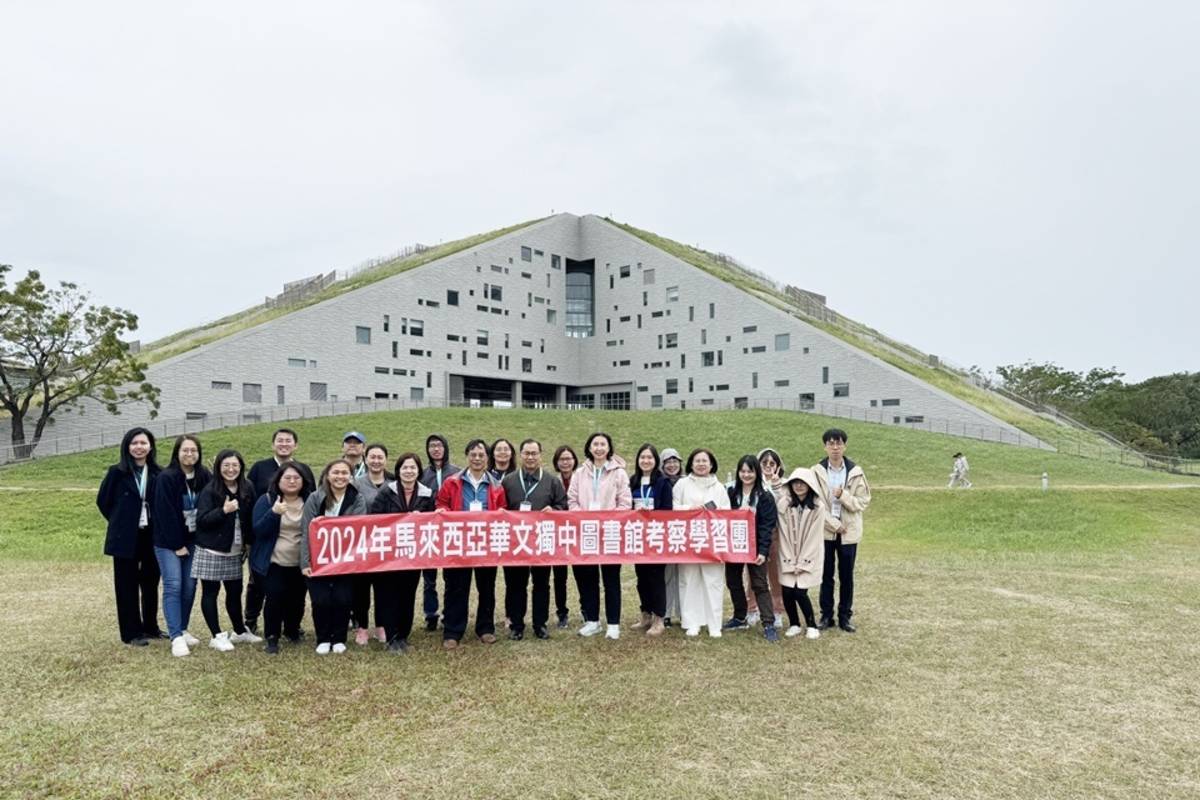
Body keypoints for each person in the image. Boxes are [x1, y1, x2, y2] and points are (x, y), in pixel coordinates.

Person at [435, 439, 507, 650]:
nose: (477, 459)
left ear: (487, 459)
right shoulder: (452, 482)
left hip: (486, 543)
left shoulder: (495, 485)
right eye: (473, 455)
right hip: (458, 542)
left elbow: (502, 508)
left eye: (481, 455)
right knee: (456, 587)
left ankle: (485, 628)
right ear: (467, 457)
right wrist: (442, 512)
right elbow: (441, 503)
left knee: (486, 587)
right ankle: (453, 630)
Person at [96, 427, 163, 646]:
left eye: (143, 443)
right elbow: (103, 502)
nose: (139, 447)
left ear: (150, 446)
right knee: (126, 584)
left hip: (151, 535)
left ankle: (151, 627)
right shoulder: (117, 472)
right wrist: (120, 521)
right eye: (134, 443)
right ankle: (131, 632)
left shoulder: (158, 473)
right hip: (125, 536)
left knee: (151, 582)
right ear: (127, 446)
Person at [244, 428, 315, 635]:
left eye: (289, 441)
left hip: (297, 553)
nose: (284, 444)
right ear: (273, 444)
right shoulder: (259, 468)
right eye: (280, 441)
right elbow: (250, 503)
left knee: (295, 594)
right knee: (259, 587)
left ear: (296, 445)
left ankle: (292, 627)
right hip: (266, 541)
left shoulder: (303, 470)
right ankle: (251, 620)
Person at [567, 432, 632, 640]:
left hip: (610, 533)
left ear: (609, 448)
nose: (599, 448)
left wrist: (610, 520)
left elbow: (625, 502)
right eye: (595, 444)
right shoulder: (580, 473)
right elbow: (572, 500)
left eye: (603, 444)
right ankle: (593, 621)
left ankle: (613, 623)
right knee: (588, 579)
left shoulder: (618, 473)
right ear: (589, 447)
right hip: (586, 532)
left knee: (611, 579)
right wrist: (584, 519)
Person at [368, 452, 435, 654]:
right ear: (398, 471)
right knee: (389, 596)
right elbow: (374, 519)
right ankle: (391, 637)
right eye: (405, 467)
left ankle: (403, 636)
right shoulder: (386, 492)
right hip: (388, 555)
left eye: (413, 468)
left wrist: (420, 518)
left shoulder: (426, 493)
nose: (409, 471)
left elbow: (432, 521)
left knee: (408, 594)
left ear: (418, 471)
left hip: (413, 555)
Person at [193, 449, 260, 652]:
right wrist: (223, 511)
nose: (231, 470)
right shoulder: (210, 490)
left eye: (235, 466)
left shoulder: (247, 487)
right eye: (226, 466)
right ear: (218, 467)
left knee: (234, 592)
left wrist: (249, 542)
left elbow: (250, 518)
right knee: (211, 592)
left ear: (241, 467)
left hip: (235, 550)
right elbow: (202, 521)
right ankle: (216, 635)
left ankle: (239, 631)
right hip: (212, 549)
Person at [501, 439, 568, 640]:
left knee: (541, 584)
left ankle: (540, 624)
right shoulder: (509, 481)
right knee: (516, 584)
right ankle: (517, 625)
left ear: (540, 455)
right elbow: (499, 508)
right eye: (527, 453)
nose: (530, 457)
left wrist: (554, 510)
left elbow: (563, 506)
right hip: (516, 542)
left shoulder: (552, 481)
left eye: (534, 453)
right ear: (520, 455)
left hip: (542, 541)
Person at [152, 435, 211, 657]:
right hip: (168, 542)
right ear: (177, 452)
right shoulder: (166, 477)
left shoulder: (204, 475)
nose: (189, 455)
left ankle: (183, 628)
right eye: (185, 450)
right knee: (174, 585)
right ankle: (175, 636)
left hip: (194, 540)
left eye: (193, 450)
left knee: (189, 587)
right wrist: (177, 545)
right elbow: (164, 513)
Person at [301, 460, 367, 654]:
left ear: (351, 476)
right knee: (321, 600)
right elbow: (306, 530)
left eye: (344, 473)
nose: (340, 476)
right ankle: (323, 637)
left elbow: (358, 526)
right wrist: (305, 562)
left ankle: (338, 638)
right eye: (336, 472)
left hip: (345, 559)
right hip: (318, 558)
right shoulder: (315, 497)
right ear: (328, 475)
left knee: (342, 599)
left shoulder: (357, 498)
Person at [811, 428, 872, 633]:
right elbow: (815, 503)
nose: (835, 447)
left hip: (849, 533)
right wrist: (834, 525)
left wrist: (843, 495)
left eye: (838, 443)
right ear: (825, 446)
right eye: (831, 443)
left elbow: (862, 503)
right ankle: (826, 615)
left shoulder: (856, 472)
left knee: (847, 575)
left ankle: (845, 616)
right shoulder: (817, 471)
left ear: (845, 446)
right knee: (826, 575)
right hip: (826, 531)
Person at [250, 464, 314, 654]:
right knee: (274, 597)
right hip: (274, 561)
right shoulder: (268, 500)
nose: (292, 481)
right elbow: (258, 530)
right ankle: (272, 636)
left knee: (297, 599)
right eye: (287, 478)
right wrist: (274, 513)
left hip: (301, 562)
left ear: (303, 481)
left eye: (296, 478)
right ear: (278, 481)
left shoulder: (311, 501)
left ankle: (292, 630)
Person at [672, 448, 730, 638]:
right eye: (697, 461)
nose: (701, 464)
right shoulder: (682, 484)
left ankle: (714, 624)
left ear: (711, 464)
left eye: (705, 461)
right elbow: (672, 508)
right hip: (688, 540)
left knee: (713, 581)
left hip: (713, 541)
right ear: (691, 463)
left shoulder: (719, 487)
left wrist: (711, 512)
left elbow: (726, 512)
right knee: (688, 580)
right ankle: (691, 622)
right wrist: (691, 509)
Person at [722, 455, 781, 642]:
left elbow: (767, 526)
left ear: (757, 473)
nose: (746, 475)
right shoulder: (730, 493)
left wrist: (763, 551)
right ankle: (740, 617)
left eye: (750, 471)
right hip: (733, 546)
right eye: (743, 471)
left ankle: (768, 623)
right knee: (733, 581)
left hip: (755, 547)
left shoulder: (765, 496)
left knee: (760, 584)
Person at [775, 467, 826, 639]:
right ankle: (794, 623)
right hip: (787, 554)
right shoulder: (785, 505)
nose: (798, 486)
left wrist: (802, 562)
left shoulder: (818, 507)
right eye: (795, 483)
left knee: (800, 592)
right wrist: (790, 561)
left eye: (802, 483)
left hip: (808, 555)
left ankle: (811, 624)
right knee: (787, 591)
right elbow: (783, 533)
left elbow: (814, 537)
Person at [628, 443, 673, 637]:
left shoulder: (663, 482)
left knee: (656, 578)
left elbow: (667, 510)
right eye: (642, 457)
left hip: (656, 536)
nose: (646, 461)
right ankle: (645, 614)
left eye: (650, 458)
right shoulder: (633, 481)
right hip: (638, 535)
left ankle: (659, 618)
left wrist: (651, 514)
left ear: (656, 461)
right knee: (641, 578)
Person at [351, 443, 393, 646]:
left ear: (386, 460)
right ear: (366, 459)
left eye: (380, 457)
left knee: (384, 588)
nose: (376, 461)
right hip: (361, 545)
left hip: (386, 545)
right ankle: (362, 628)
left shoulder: (394, 482)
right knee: (361, 589)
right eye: (372, 457)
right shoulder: (356, 483)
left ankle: (382, 626)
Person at [418, 433, 460, 633]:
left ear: (445, 448)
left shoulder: (457, 473)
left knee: (452, 577)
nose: (436, 449)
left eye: (439, 445)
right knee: (429, 578)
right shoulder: (422, 474)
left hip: (452, 531)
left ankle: (449, 614)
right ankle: (430, 614)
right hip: (428, 531)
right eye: (432, 445)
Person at [745, 448, 787, 627]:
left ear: (778, 466)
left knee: (775, 574)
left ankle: (777, 610)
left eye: (772, 463)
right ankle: (751, 609)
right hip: (754, 534)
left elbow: (785, 507)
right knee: (753, 574)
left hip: (775, 533)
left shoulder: (785, 484)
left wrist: (777, 486)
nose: (768, 467)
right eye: (764, 463)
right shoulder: (753, 483)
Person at [551, 444, 580, 629]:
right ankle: (562, 613)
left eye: (569, 458)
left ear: (574, 461)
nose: (565, 462)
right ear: (556, 462)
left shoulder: (582, 478)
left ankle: (587, 610)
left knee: (581, 574)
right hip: (559, 535)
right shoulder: (552, 481)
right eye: (562, 459)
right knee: (559, 576)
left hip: (579, 533)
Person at [659, 447, 684, 627]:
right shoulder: (659, 482)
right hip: (664, 534)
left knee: (684, 575)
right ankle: (665, 612)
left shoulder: (686, 481)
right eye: (668, 462)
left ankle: (684, 613)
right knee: (667, 575)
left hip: (685, 535)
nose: (672, 465)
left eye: (675, 461)